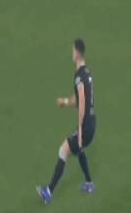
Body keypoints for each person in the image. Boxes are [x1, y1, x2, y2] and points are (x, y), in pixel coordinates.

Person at [37, 39, 96, 204]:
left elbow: (82, 103)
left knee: (63, 150)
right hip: (92, 122)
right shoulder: (87, 73)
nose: (72, 54)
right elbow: (78, 100)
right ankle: (89, 184)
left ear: (76, 52)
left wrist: (80, 131)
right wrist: (64, 101)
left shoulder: (79, 76)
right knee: (79, 149)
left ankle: (48, 192)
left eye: (72, 51)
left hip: (85, 125)